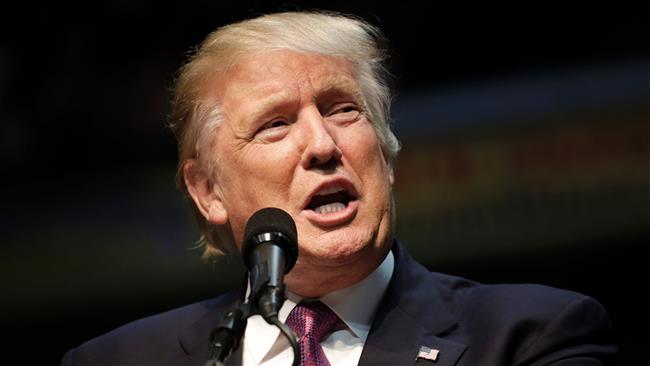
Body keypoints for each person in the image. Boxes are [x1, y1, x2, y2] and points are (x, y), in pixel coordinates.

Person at [61, 11, 617, 366]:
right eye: (275, 124)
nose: (323, 145)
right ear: (208, 190)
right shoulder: (115, 359)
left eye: (343, 110)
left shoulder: (532, 336)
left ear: (387, 153)